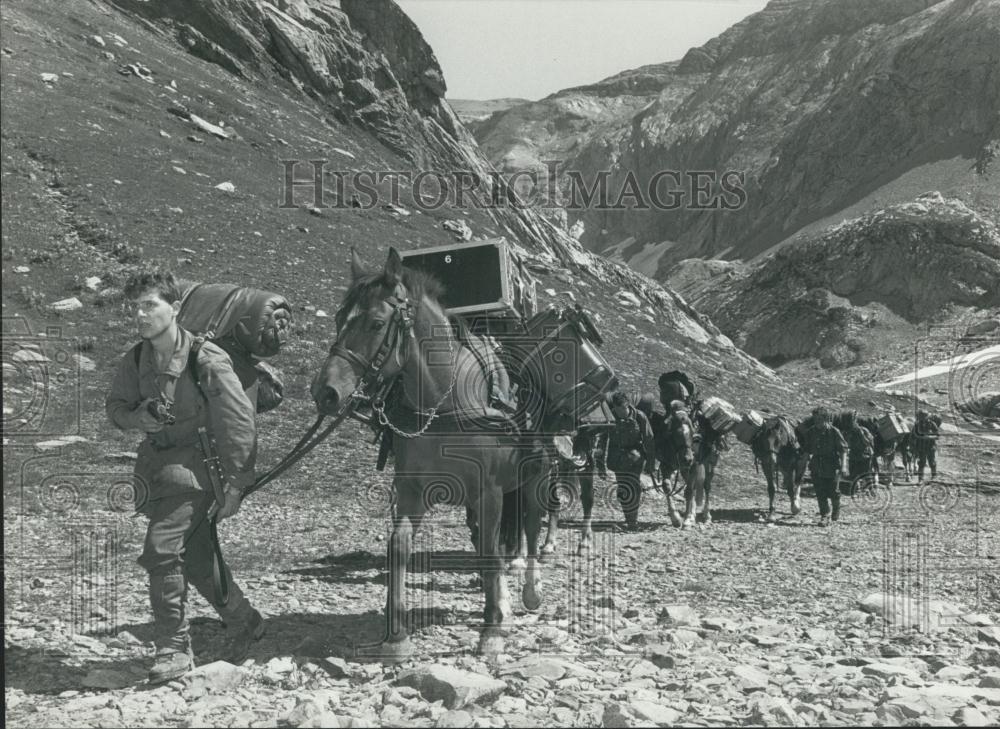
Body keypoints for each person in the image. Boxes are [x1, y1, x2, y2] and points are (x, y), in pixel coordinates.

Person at [106, 269, 263, 683]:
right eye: (134, 307)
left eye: (149, 305)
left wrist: (236, 484)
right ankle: (245, 620)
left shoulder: (204, 357)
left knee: (161, 550)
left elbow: (238, 421)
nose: (139, 314)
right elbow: (115, 406)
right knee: (194, 557)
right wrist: (136, 416)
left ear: (174, 308)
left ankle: (173, 649)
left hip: (198, 470)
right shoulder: (137, 357)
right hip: (157, 469)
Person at [600, 391, 655, 530]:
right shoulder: (610, 416)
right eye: (618, 410)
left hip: (635, 457)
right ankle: (628, 519)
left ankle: (632, 521)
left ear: (628, 406)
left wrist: (650, 462)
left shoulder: (640, 417)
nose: (621, 413)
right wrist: (600, 463)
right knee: (623, 488)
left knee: (634, 486)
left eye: (623, 409)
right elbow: (602, 440)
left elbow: (649, 439)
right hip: (618, 458)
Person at [802, 407, 848, 526]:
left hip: (832, 465)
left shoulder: (834, 431)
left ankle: (836, 508)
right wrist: (802, 467)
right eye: (815, 419)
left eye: (819, 419)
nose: (817, 421)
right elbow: (806, 451)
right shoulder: (810, 432)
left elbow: (843, 450)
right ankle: (825, 515)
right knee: (820, 491)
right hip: (816, 465)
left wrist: (843, 466)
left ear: (825, 419)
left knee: (834, 491)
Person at [842, 411, 875, 492]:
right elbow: (846, 445)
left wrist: (861, 434)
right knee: (853, 475)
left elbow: (868, 443)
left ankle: (871, 490)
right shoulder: (848, 432)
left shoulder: (864, 430)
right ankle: (857, 488)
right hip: (854, 456)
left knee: (867, 475)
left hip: (865, 456)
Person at [913, 409, 940, 482]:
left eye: (924, 416)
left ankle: (934, 477)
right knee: (921, 463)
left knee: (932, 462)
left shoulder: (932, 424)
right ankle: (920, 479)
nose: (923, 418)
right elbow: (915, 434)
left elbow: (937, 435)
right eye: (921, 417)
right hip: (921, 447)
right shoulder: (917, 424)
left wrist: (930, 437)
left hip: (930, 447)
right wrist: (922, 437)